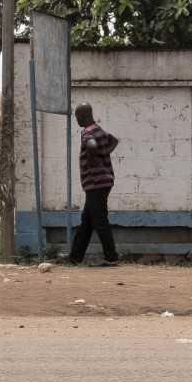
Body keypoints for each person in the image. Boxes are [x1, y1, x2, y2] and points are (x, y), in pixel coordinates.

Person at [67, 103, 120, 266]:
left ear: (84, 116)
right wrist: (103, 154)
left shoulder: (87, 133)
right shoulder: (100, 130)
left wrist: (93, 159)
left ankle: (111, 257)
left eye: (77, 117)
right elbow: (114, 141)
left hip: (96, 184)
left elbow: (91, 144)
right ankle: (75, 257)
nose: (76, 120)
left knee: (99, 220)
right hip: (104, 181)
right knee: (87, 222)